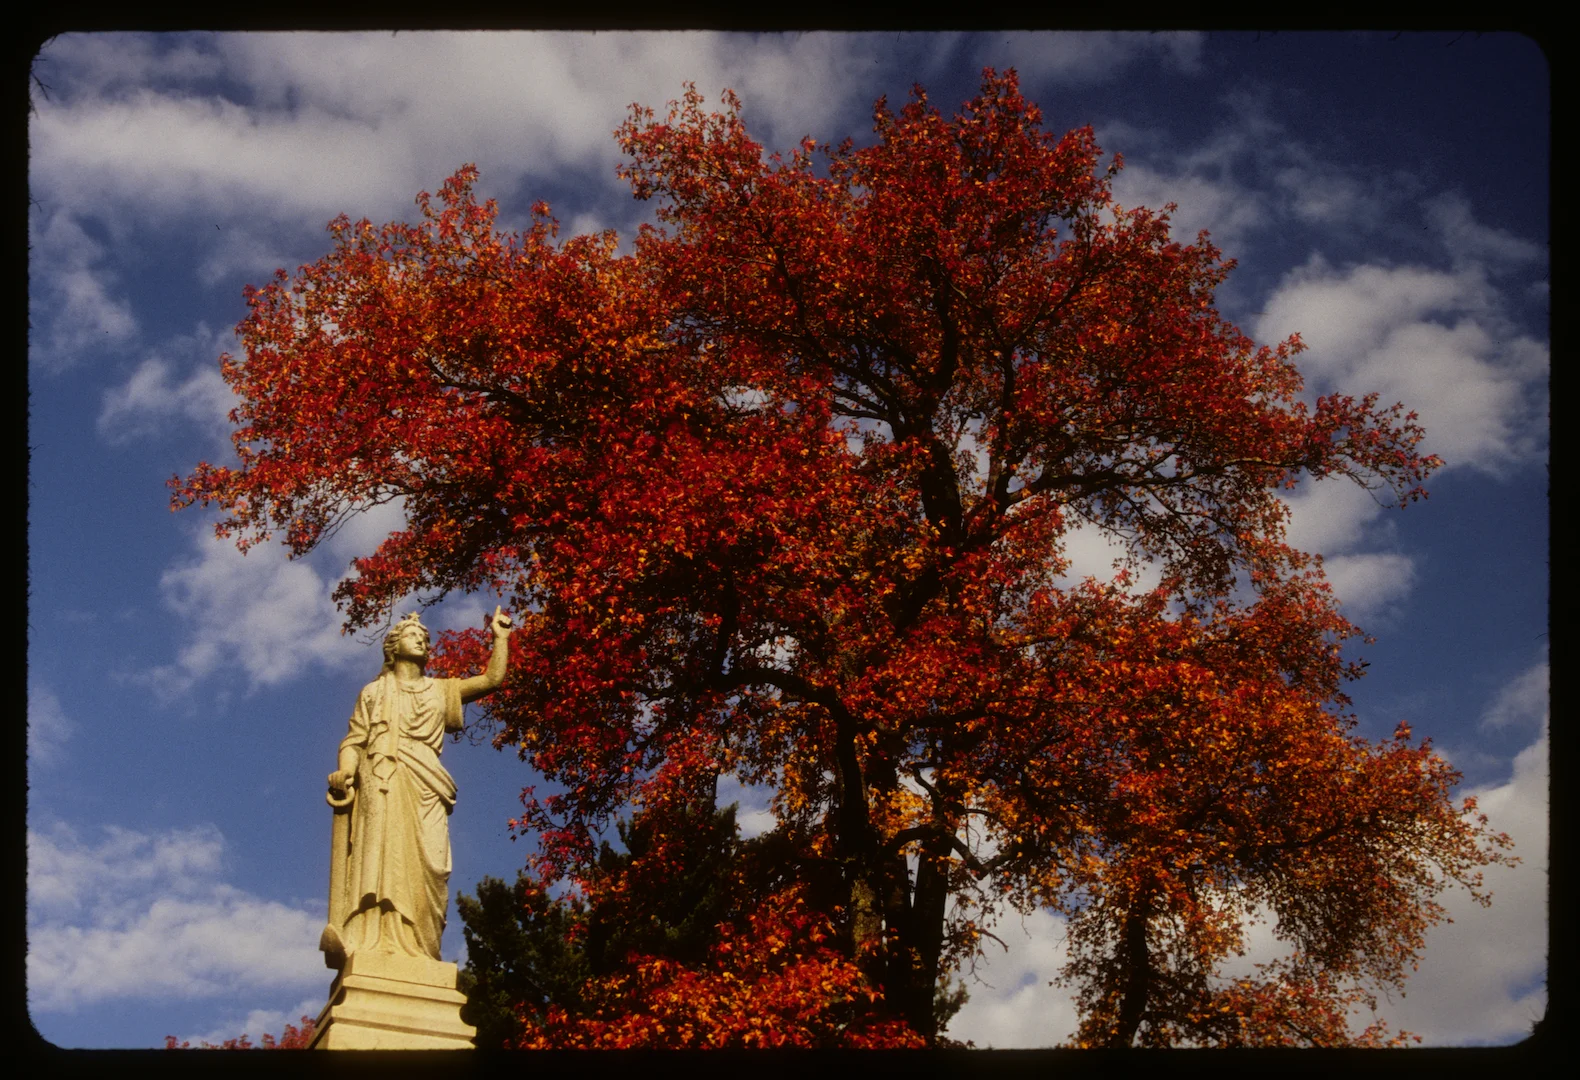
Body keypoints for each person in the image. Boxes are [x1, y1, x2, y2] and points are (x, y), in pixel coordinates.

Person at [321, 606, 513, 966]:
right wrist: (345, 771)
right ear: (393, 647)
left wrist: (500, 639)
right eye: (414, 635)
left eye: (426, 638)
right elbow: (354, 740)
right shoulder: (374, 692)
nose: (423, 640)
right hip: (382, 778)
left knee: (432, 865)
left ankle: (423, 950)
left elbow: (491, 680)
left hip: (426, 782)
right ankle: (373, 942)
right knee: (380, 859)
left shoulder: (440, 690)